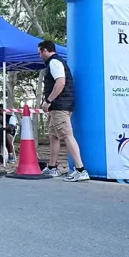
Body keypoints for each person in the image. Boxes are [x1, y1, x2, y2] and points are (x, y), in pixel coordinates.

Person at [38, 40, 88, 181]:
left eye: (40, 52)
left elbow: (60, 82)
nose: (40, 56)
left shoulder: (54, 62)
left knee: (66, 134)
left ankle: (80, 169)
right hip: (59, 105)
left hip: (60, 105)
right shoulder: (55, 62)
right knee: (54, 135)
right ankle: (52, 167)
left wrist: (48, 101)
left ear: (45, 50)